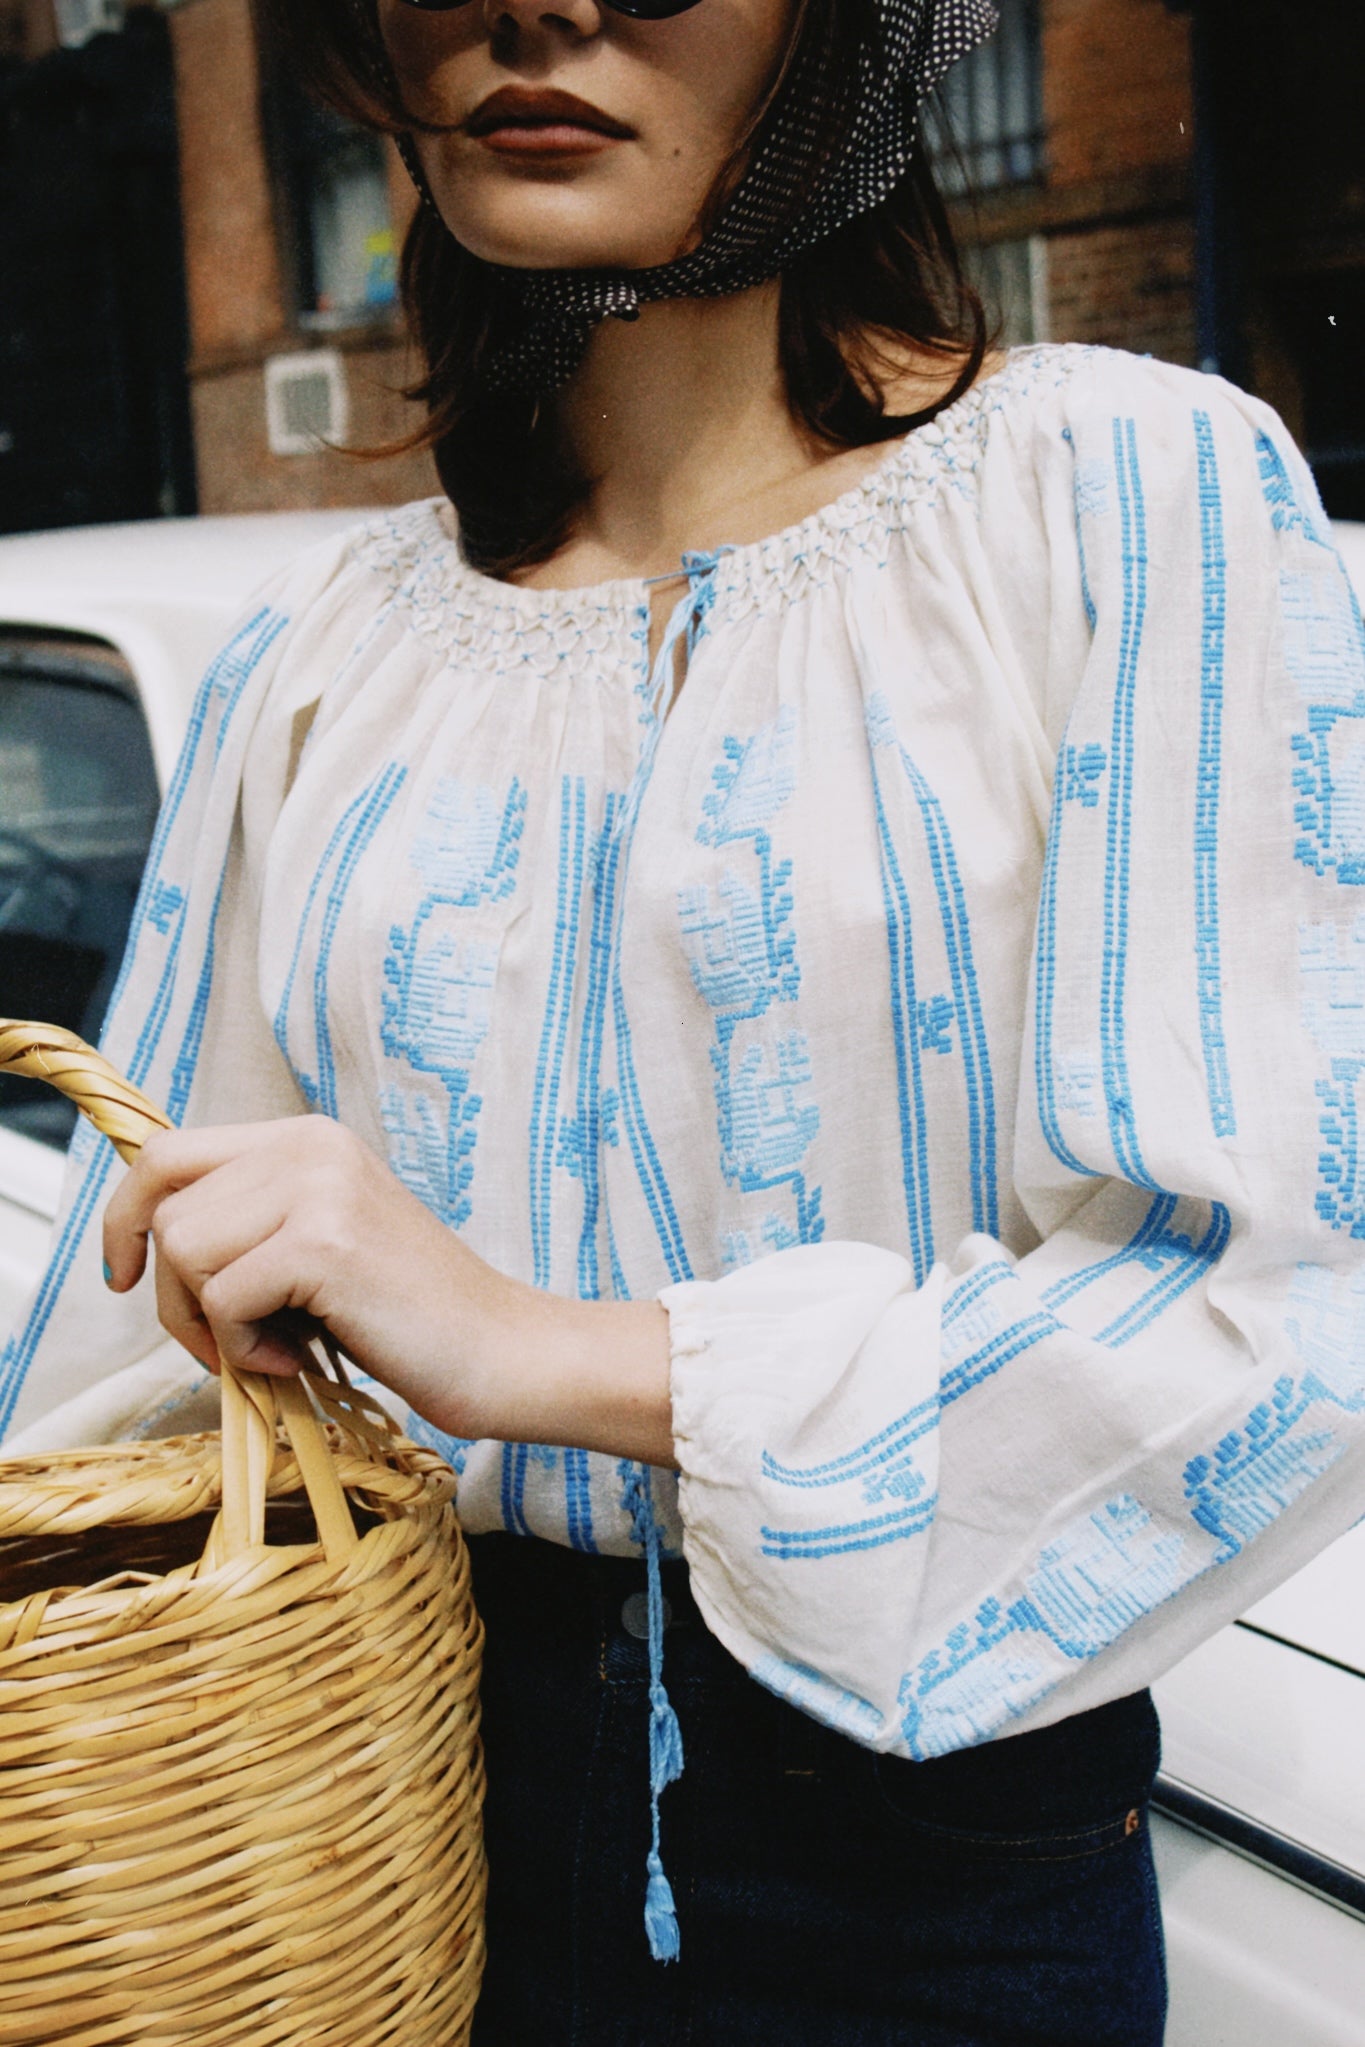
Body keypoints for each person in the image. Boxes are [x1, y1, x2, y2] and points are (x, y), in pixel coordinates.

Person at [4, 0, 1364, 2038]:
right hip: (355, 1787)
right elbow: (121, 1348)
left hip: (914, 1856)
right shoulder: (325, 649)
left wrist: (536, 1348)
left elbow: (1277, 1291)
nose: (538, 6)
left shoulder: (1120, 497)